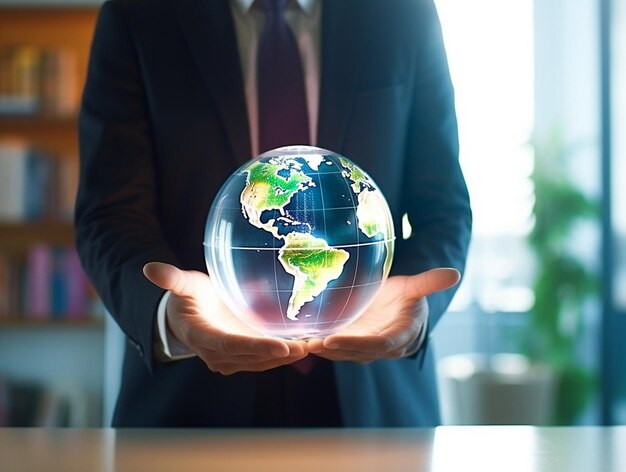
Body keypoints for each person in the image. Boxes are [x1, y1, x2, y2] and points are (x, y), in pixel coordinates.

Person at [75, 0, 472, 427]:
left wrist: (416, 311)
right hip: (191, 405)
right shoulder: (136, 13)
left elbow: (443, 205)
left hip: (375, 404)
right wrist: (165, 313)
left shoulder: (403, 11)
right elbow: (110, 212)